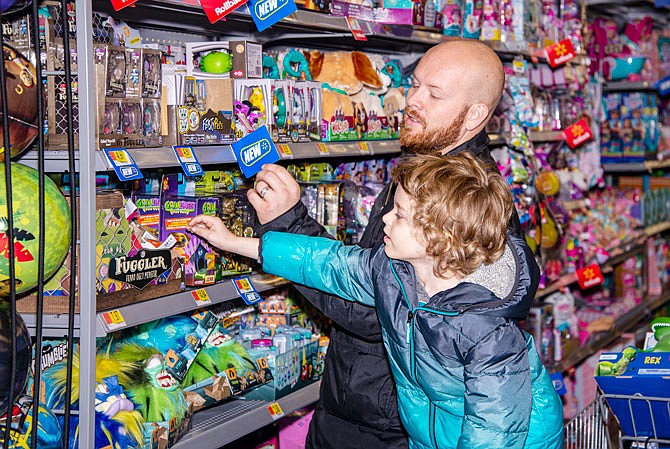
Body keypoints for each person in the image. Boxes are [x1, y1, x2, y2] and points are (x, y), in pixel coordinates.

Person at [243, 39, 522, 449]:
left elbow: (373, 306)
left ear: (475, 115)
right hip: (357, 405)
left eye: (434, 94)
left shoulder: (465, 201)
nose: (412, 100)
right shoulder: (427, 168)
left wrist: (288, 222)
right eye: (414, 85)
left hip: (386, 425)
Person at [187, 153, 564, 449]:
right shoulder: (395, 272)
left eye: (399, 214)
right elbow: (326, 263)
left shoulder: (487, 335)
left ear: (439, 238)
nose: (384, 220)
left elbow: (494, 434)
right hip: (433, 433)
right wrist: (236, 244)